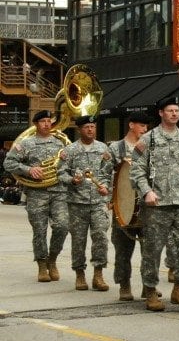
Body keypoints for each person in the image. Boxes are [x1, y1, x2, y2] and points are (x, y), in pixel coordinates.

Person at [130, 96, 179, 313]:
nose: (174, 114)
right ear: (161, 113)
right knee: (153, 249)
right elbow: (136, 171)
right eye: (170, 110)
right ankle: (150, 290)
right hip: (156, 204)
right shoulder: (147, 140)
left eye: (176, 110)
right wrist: (147, 191)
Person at [3, 109, 69, 282]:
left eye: (49, 121)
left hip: (58, 191)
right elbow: (8, 162)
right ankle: (41, 264)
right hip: (36, 193)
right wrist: (28, 169)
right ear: (36, 124)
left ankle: (52, 259)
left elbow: (69, 165)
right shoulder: (26, 144)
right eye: (43, 121)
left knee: (62, 226)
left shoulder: (60, 143)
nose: (47, 124)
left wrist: (66, 159)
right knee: (39, 231)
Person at [57, 114, 112, 292]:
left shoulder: (103, 148)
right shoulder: (70, 150)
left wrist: (106, 188)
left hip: (97, 202)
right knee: (78, 241)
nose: (90, 129)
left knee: (100, 238)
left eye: (93, 127)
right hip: (77, 203)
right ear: (80, 129)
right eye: (87, 127)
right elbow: (60, 173)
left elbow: (108, 172)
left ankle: (98, 274)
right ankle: (80, 274)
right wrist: (72, 180)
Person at [107, 111, 149, 300]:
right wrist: (110, 198)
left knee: (150, 249)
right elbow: (103, 174)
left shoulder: (148, 147)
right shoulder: (116, 148)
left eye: (146, 127)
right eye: (142, 126)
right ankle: (124, 285)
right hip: (122, 205)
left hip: (147, 206)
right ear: (131, 125)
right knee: (123, 249)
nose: (145, 130)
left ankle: (148, 286)